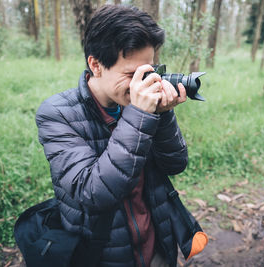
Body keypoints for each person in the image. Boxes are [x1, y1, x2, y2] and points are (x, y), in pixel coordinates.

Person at [35, 5, 207, 267]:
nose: (143, 83)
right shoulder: (57, 114)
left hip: (157, 243)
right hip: (102, 254)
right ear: (96, 64)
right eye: (131, 74)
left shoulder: (140, 103)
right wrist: (140, 113)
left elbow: (175, 164)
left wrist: (161, 115)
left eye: (148, 72)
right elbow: (91, 192)